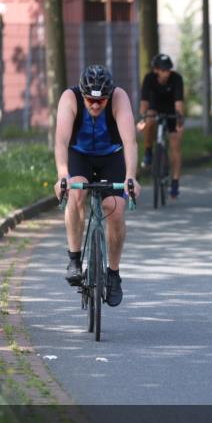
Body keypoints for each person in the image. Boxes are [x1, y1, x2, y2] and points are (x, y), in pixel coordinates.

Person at [54, 64, 141, 307]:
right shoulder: (69, 98)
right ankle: (74, 258)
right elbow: (61, 141)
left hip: (111, 156)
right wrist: (62, 175)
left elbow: (130, 141)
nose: (95, 106)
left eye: (101, 101)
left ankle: (113, 273)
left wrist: (131, 176)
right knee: (76, 193)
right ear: (82, 95)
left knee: (115, 209)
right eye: (90, 101)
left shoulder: (119, 97)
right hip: (79, 155)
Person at [138, 53, 185, 199]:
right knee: (149, 121)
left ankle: (175, 181)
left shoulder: (176, 79)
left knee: (175, 144)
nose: (167, 72)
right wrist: (144, 117)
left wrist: (179, 121)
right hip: (154, 110)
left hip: (172, 112)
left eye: (168, 69)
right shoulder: (149, 79)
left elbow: (179, 104)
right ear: (156, 70)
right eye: (163, 70)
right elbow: (144, 104)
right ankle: (148, 152)